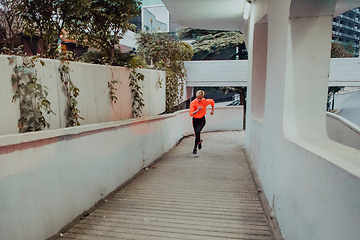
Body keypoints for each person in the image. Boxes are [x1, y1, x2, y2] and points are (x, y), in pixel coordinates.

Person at [189, 90, 215, 154]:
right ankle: (199, 141)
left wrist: (212, 110)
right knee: (196, 133)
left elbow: (212, 101)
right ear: (196, 97)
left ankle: (195, 148)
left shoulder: (205, 101)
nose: (199, 99)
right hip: (195, 120)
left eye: (200, 98)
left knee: (198, 131)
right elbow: (191, 113)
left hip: (202, 120)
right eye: (198, 98)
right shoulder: (193, 103)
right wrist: (197, 110)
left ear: (202, 97)